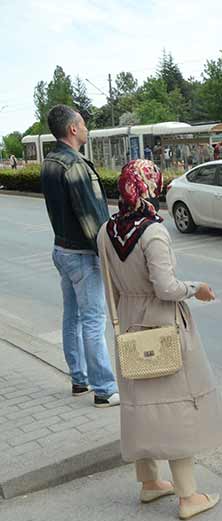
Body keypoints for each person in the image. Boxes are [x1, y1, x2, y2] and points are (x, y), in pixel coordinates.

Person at [98, 159, 222, 521]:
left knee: (141, 405)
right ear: (149, 186)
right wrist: (197, 288)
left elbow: (109, 286)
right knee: (175, 407)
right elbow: (166, 288)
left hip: (129, 323)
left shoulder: (106, 230)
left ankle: (149, 483)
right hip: (162, 326)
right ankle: (188, 496)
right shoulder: (153, 232)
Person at [39, 104, 119, 407]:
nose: (86, 128)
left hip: (61, 249)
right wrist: (108, 251)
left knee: (71, 317)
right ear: (73, 129)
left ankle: (79, 378)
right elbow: (92, 217)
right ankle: (104, 389)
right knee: (93, 320)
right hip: (83, 255)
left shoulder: (50, 162)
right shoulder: (74, 166)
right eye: (83, 124)